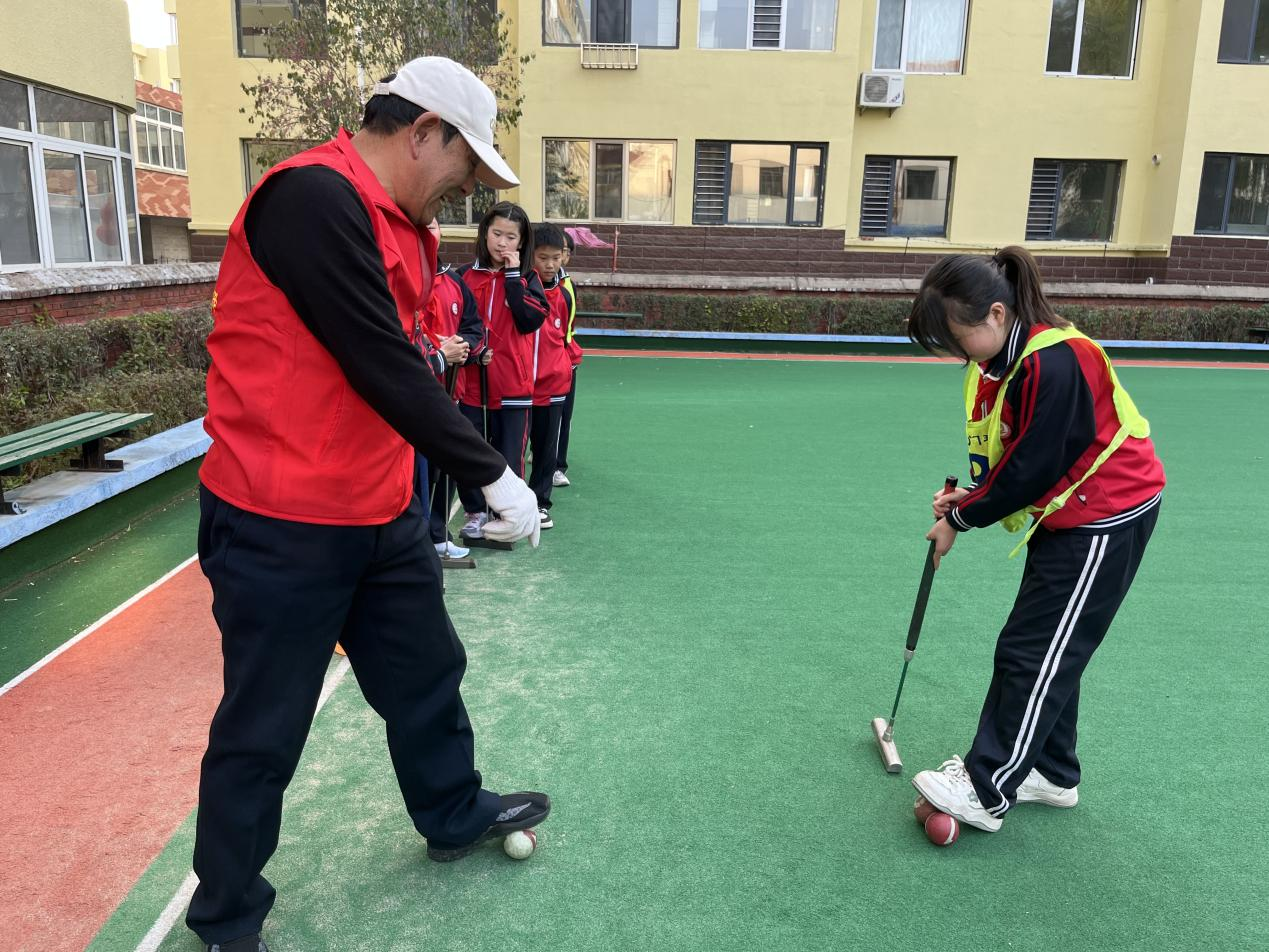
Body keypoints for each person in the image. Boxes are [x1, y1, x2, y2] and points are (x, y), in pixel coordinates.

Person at [191, 57, 549, 952]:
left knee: (426, 670)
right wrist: (491, 472)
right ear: (422, 131)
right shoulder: (312, 198)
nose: (465, 194)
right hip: (280, 518)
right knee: (264, 726)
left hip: (375, 507)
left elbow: (406, 357)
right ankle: (226, 913)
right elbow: (374, 358)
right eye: (463, 170)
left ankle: (451, 811)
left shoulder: (399, 222)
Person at [905, 245, 1165, 835]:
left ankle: (985, 785)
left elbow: (1033, 469)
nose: (956, 353)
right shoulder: (1003, 363)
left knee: (1032, 651)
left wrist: (960, 520)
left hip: (1106, 515)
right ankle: (1052, 771)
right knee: (1050, 646)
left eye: (956, 337)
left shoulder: (1056, 361)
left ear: (996, 314)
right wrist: (967, 499)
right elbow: (1007, 454)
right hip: (1068, 513)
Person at [455, 202, 549, 541]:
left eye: (512, 237)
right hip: (471, 383)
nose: (502, 243)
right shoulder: (463, 276)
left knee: (508, 455)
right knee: (470, 450)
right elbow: (458, 323)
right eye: (497, 234)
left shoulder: (528, 279)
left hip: (512, 385)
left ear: (522, 243)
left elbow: (529, 320)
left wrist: (512, 278)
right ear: (484, 233)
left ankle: (506, 516)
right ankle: (476, 512)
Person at [420, 217, 484, 558]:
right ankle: (419, 537)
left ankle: (438, 530)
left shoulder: (455, 282)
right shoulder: (406, 276)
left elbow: (475, 329)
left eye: (432, 226)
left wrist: (465, 348)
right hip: (415, 396)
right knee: (419, 470)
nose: (427, 232)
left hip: (450, 391)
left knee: (445, 465)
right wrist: (437, 352)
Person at [527, 223, 574, 528]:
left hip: (553, 383)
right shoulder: (518, 287)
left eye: (556, 257)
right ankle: (507, 503)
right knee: (513, 447)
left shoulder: (565, 293)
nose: (550, 264)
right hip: (519, 385)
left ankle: (540, 503)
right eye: (543, 257)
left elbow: (565, 335)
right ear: (530, 255)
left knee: (546, 448)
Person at [553, 229, 582, 488]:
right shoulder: (534, 282)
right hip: (540, 360)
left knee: (563, 414)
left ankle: (557, 465)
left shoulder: (567, 283)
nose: (556, 257)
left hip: (565, 357)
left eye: (561, 252)